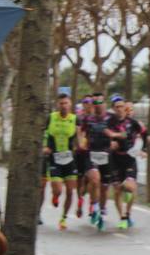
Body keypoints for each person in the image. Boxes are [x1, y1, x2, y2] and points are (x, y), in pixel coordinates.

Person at [107, 98, 146, 230]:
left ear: (125, 108)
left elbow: (146, 134)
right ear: (113, 108)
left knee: (130, 187)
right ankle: (123, 217)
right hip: (115, 160)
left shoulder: (133, 122)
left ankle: (128, 213)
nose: (119, 109)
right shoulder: (109, 123)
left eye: (122, 106)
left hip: (129, 159)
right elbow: (101, 138)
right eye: (117, 106)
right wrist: (110, 144)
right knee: (117, 190)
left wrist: (144, 149)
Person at [43, 92, 80, 229]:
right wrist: (45, 147)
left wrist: (80, 145)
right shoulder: (51, 117)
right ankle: (55, 195)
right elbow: (44, 133)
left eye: (66, 103)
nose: (63, 106)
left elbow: (80, 136)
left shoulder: (75, 119)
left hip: (70, 159)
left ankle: (63, 218)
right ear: (57, 105)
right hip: (55, 158)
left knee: (70, 191)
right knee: (58, 189)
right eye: (61, 103)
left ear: (70, 104)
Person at [79, 95, 112, 229]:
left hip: (107, 156)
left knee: (104, 188)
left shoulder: (111, 118)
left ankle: (100, 210)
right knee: (95, 180)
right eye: (95, 102)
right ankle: (96, 208)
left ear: (104, 103)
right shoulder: (87, 119)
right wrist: (81, 142)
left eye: (100, 102)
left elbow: (121, 130)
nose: (97, 104)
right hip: (91, 155)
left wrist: (115, 141)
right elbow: (81, 132)